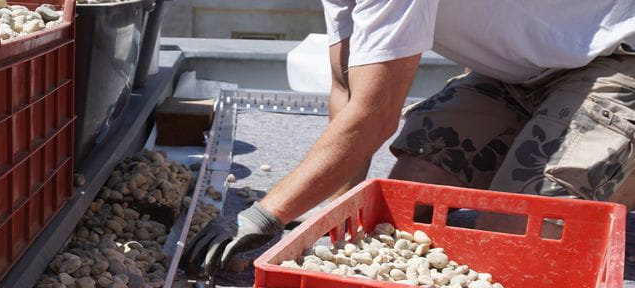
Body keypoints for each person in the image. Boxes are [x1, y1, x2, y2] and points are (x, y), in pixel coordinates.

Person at [185, 0, 635, 273]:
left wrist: (266, 215)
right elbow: (346, 90)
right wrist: (331, 225)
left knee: (515, 232)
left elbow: (375, 115)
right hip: (518, 74)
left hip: (618, 57)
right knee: (408, 195)